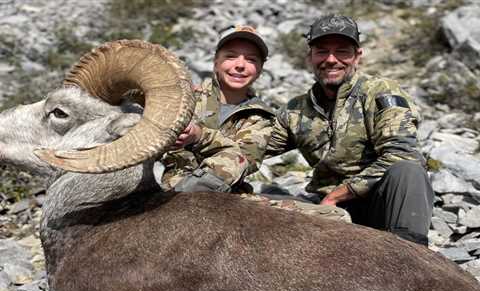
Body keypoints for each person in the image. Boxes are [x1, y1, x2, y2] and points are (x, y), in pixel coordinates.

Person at [266, 14, 434, 245]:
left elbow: (402, 153)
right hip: (325, 209)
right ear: (310, 57)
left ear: (357, 57)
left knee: (407, 171)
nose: (331, 59)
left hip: (376, 206)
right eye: (322, 51)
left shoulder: (380, 92)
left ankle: (412, 258)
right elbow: (257, 148)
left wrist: (338, 194)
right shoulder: (296, 109)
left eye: (342, 51)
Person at [163, 25, 275, 193]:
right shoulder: (187, 98)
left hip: (222, 194)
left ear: (259, 70)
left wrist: (199, 136)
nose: (240, 65)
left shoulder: (261, 117)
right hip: (169, 181)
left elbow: (247, 159)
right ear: (216, 62)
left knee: (237, 159)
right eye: (230, 56)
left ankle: (185, 197)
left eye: (251, 59)